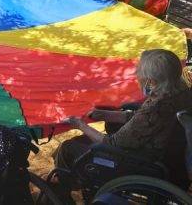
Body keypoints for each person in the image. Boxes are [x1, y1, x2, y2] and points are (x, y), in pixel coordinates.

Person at [54, 49, 192, 188]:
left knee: (68, 147)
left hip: (143, 163)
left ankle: (65, 190)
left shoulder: (156, 106)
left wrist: (80, 125)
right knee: (99, 132)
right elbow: (143, 121)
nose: (138, 78)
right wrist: (106, 115)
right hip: (171, 159)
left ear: (150, 82)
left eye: (140, 76)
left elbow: (111, 143)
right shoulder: (181, 93)